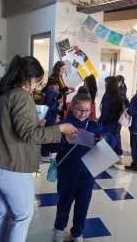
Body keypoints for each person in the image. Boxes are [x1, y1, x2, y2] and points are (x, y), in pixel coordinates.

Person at [0, 55, 77, 242]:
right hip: (9, 164)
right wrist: (61, 129)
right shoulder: (20, 96)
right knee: (23, 214)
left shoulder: (0, 93)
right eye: (37, 81)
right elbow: (29, 136)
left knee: (2, 209)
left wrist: (36, 125)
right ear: (29, 78)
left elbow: (9, 127)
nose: (37, 86)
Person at [49, 93, 115, 242]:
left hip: (87, 172)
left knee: (82, 205)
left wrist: (106, 138)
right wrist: (65, 140)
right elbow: (52, 146)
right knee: (64, 202)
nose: (83, 113)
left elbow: (112, 140)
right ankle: (59, 228)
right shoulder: (65, 124)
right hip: (67, 171)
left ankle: (77, 232)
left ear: (90, 110)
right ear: (72, 108)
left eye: (86, 110)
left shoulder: (95, 126)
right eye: (79, 109)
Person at [99, 76, 125, 162]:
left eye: (106, 82)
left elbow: (105, 111)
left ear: (109, 84)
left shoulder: (107, 96)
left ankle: (107, 158)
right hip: (116, 121)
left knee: (106, 138)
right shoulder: (119, 95)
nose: (105, 84)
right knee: (116, 136)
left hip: (108, 121)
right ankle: (119, 153)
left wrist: (100, 122)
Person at [41, 79, 62, 162]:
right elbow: (48, 108)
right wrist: (57, 103)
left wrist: (56, 115)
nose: (57, 87)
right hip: (48, 119)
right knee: (48, 137)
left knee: (50, 136)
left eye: (58, 85)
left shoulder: (52, 93)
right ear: (50, 85)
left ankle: (45, 153)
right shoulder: (50, 93)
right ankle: (44, 154)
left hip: (50, 118)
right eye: (55, 84)